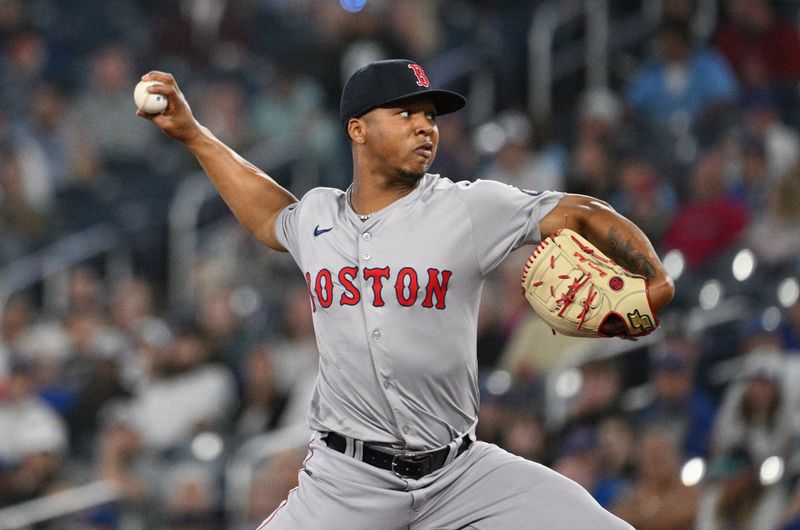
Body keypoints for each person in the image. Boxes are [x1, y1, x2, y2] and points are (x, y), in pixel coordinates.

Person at [138, 59, 674, 529]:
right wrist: (194, 135)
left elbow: (579, 211)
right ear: (358, 129)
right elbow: (269, 213)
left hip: (462, 475)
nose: (425, 127)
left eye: (431, 116)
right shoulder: (319, 217)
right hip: (347, 483)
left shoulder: (467, 207)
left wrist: (654, 277)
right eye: (406, 113)